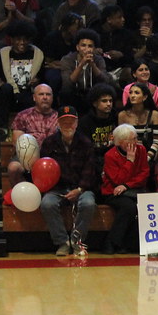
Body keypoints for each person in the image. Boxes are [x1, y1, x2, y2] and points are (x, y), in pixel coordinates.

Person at [38, 105, 97, 255]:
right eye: (64, 122)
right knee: (47, 204)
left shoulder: (86, 143)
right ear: (58, 123)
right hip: (57, 188)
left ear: (77, 123)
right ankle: (62, 242)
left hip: (80, 187)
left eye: (71, 121)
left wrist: (79, 189)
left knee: (89, 203)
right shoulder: (49, 143)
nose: (68, 125)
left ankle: (77, 241)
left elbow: (89, 170)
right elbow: (44, 170)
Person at [100, 123, 148, 254]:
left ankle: (125, 244)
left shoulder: (142, 150)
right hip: (113, 192)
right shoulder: (110, 155)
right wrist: (130, 161)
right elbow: (117, 180)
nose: (136, 141)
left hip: (133, 189)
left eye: (136, 138)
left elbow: (144, 173)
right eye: (132, 139)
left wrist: (127, 185)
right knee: (129, 207)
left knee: (139, 207)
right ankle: (111, 242)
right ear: (121, 142)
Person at [60, 28, 111, 109]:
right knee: (65, 92)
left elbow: (105, 81)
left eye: (90, 46)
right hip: (74, 94)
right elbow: (68, 84)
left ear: (94, 49)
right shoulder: (67, 59)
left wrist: (93, 65)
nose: (86, 49)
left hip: (92, 94)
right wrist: (81, 64)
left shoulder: (98, 60)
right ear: (77, 47)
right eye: (83, 45)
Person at [118, 81, 158, 166]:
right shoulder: (123, 115)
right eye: (130, 93)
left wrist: (147, 157)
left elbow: (157, 140)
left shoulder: (153, 114)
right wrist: (130, 158)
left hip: (148, 155)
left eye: (136, 93)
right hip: (128, 156)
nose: (132, 95)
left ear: (144, 97)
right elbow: (121, 141)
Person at [77, 83, 117, 156]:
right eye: (104, 101)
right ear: (95, 103)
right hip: (93, 160)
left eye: (110, 101)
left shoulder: (116, 117)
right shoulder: (85, 122)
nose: (109, 104)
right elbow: (85, 148)